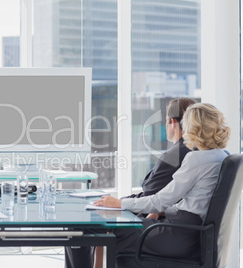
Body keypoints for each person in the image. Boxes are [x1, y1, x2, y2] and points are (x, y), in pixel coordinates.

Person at [65, 97, 196, 268]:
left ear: (172, 122)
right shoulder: (194, 151)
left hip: (156, 222)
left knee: (80, 228)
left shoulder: (177, 153)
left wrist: (118, 203)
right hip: (167, 221)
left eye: (165, 121)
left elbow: (151, 195)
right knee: (94, 220)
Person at [92, 103, 230, 262]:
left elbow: (160, 200)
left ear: (194, 128)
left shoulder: (196, 159)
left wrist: (119, 203)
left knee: (116, 228)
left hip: (178, 235)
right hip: (192, 233)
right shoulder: (222, 156)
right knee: (124, 226)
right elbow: (196, 202)